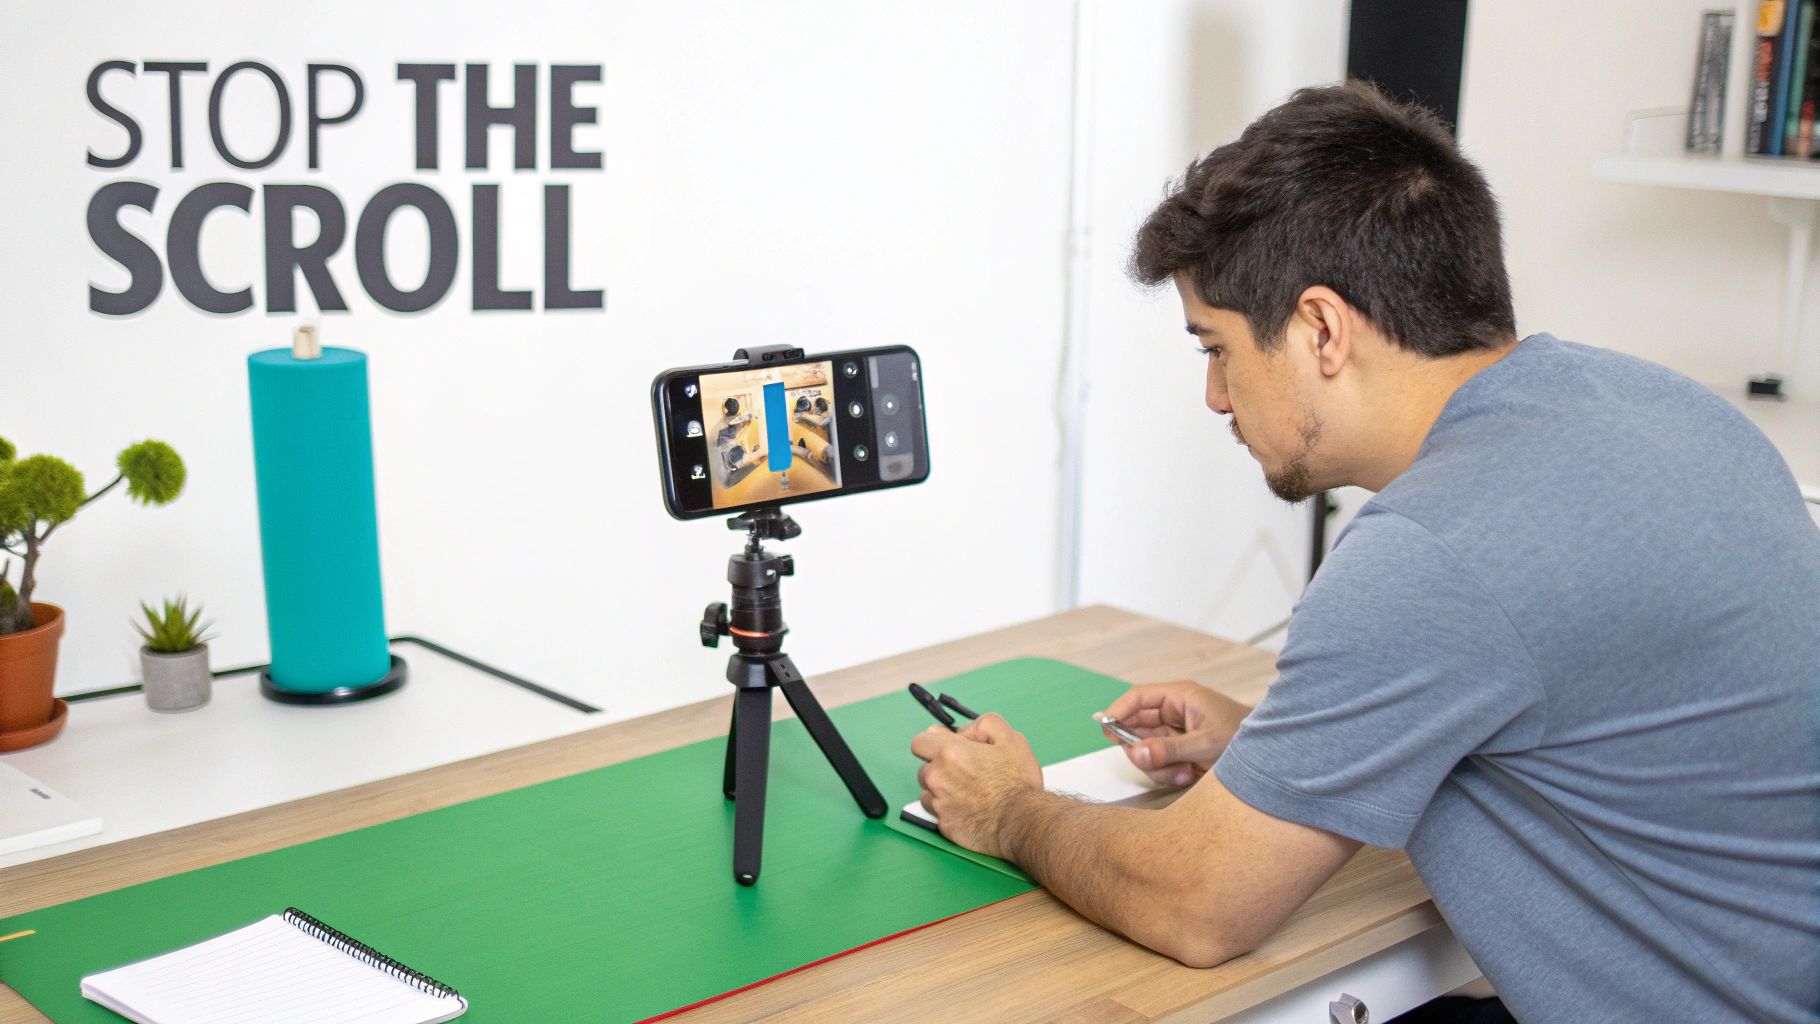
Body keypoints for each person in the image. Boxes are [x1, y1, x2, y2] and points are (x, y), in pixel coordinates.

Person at [910, 81, 1820, 1023]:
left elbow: (1197, 906)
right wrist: (1288, 743)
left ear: (1321, 329)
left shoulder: (1431, 548)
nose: (1217, 398)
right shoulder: (1669, 409)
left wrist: (1010, 810)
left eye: (1216, 348)